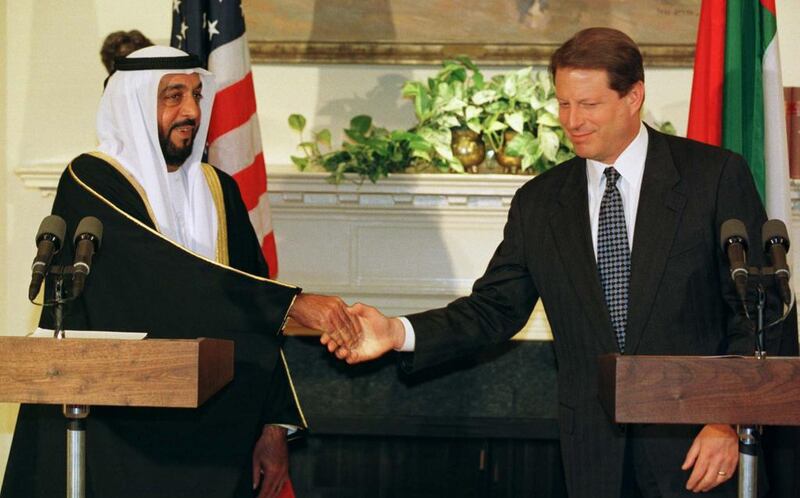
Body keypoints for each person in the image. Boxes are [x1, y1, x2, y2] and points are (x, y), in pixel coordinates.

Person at [326, 28, 796, 497]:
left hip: (697, 449)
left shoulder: (711, 177)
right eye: (564, 103)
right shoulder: (540, 202)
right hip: (593, 457)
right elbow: (492, 310)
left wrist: (728, 420)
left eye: (588, 105)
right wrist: (396, 332)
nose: (572, 121)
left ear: (634, 96)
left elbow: (758, 308)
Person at [2, 46, 355, 498]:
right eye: (173, 96)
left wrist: (273, 425)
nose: (191, 110)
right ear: (133, 105)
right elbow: (165, 276)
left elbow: (257, 310)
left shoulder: (219, 191)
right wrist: (294, 303)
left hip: (213, 442)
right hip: (115, 441)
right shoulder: (90, 180)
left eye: (196, 95)